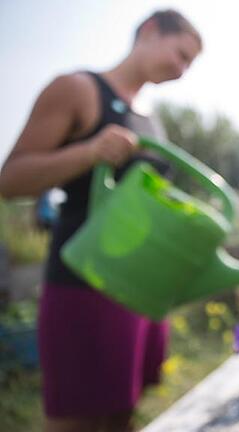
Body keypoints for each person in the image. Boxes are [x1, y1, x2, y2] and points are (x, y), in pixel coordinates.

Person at [0, 10, 202, 432]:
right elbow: (11, 179)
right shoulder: (77, 89)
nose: (182, 70)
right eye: (180, 54)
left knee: (121, 413)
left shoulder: (152, 120)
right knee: (76, 421)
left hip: (138, 290)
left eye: (190, 64)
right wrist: (90, 151)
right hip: (82, 285)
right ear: (149, 31)